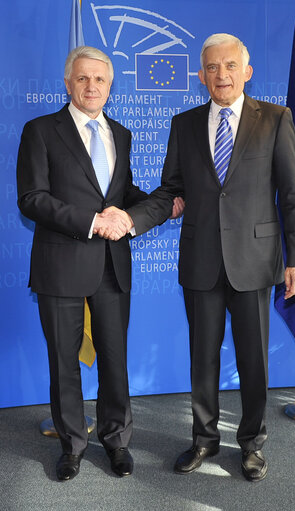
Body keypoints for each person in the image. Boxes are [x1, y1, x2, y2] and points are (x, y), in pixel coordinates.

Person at [131, 33, 295, 482]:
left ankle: (251, 444)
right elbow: (171, 192)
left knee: (254, 360)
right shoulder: (184, 124)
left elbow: (293, 193)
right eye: (212, 67)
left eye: (230, 66)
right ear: (201, 75)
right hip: (202, 261)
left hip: (255, 260)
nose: (221, 75)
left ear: (246, 72)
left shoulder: (275, 118)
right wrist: (131, 219)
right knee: (202, 358)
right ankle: (204, 439)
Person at [16, 46, 174, 481]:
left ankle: (116, 442)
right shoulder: (41, 130)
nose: (91, 86)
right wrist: (92, 222)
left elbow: (119, 197)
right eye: (82, 79)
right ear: (68, 84)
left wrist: (164, 205)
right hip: (61, 264)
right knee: (64, 362)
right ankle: (72, 447)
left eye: (100, 80)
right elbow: (32, 199)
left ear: (110, 86)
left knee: (115, 359)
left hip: (112, 267)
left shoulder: (120, 134)